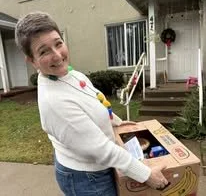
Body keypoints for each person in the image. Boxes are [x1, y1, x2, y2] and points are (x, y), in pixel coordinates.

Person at [15, 11, 168, 196]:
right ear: (32, 60)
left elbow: (96, 101)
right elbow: (100, 148)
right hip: (87, 178)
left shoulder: (72, 75)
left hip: (95, 166)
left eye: (58, 44)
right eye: (44, 51)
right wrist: (146, 175)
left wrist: (116, 121)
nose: (57, 55)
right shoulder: (54, 102)